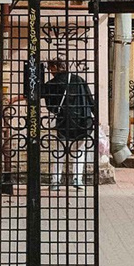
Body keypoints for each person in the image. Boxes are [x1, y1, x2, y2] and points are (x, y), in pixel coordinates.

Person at [37, 55, 99, 188]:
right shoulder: (79, 80)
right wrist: (96, 118)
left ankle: (55, 181)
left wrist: (15, 99)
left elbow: (35, 94)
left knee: (59, 151)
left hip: (65, 121)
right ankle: (77, 180)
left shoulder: (53, 84)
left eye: (50, 68)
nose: (49, 71)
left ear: (55, 67)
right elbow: (90, 100)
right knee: (79, 151)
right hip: (83, 121)